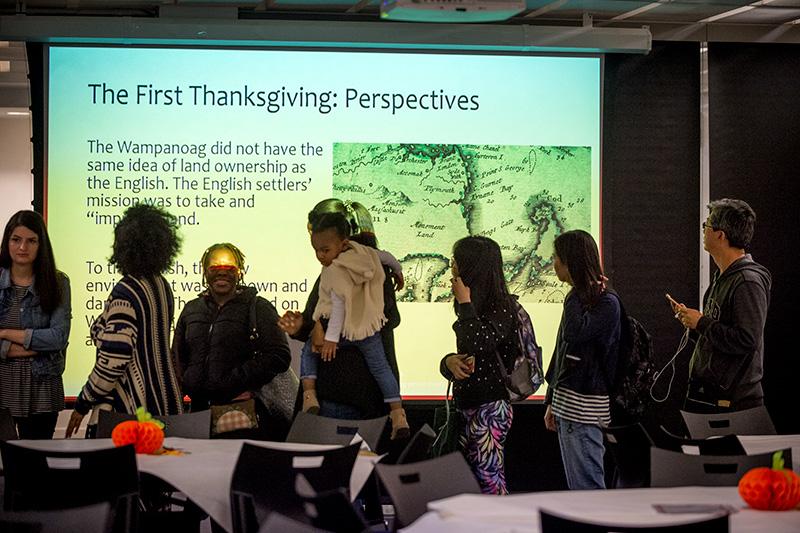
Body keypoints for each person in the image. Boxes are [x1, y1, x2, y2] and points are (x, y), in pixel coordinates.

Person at [279, 198, 402, 421]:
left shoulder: (364, 269)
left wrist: (318, 325)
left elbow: (374, 318)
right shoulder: (349, 266)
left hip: (346, 391)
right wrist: (302, 326)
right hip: (344, 391)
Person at [66, 205, 184, 437]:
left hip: (131, 412)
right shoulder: (162, 286)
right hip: (167, 404)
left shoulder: (125, 292)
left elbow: (114, 359)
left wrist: (82, 403)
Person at [299, 213, 409, 439]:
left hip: (339, 388)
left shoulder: (334, 268)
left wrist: (319, 327)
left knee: (339, 466)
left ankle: (308, 395)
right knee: (381, 368)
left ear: (344, 240)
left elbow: (329, 309)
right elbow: (391, 318)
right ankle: (398, 413)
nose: (320, 254)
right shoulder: (374, 261)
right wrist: (398, 272)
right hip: (372, 390)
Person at [172, 242, 292, 440]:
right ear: (204, 272)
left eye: (229, 267)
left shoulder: (258, 307)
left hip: (240, 412)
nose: (222, 273)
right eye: (214, 268)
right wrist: (185, 388)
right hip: (195, 413)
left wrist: (235, 382)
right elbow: (176, 357)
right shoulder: (191, 309)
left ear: (240, 272)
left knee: (237, 468)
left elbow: (278, 355)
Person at [670, 198, 771, 413]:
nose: (703, 231)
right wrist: (694, 324)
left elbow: (746, 339)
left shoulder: (747, 281)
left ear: (720, 234)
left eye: (706, 225)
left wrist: (702, 322)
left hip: (734, 403)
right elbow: (721, 337)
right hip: (712, 397)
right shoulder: (724, 277)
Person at [439, 236, 517, 495]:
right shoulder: (473, 305)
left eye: (456, 261)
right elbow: (468, 352)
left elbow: (479, 341)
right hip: (466, 404)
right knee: (465, 483)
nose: (452, 267)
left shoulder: (502, 306)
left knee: (488, 478)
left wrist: (464, 304)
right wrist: (448, 362)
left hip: (490, 406)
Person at [543, 229, 620, 490]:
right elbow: (562, 353)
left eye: (557, 257)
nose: (553, 263)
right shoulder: (580, 299)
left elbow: (575, 335)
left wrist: (576, 290)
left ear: (571, 262)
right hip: (567, 407)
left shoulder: (606, 302)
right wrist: (552, 399)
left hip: (585, 411)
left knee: (588, 489)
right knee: (578, 488)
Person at [0, 210, 71, 439]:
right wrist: (36, 346)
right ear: (7, 242)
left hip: (42, 391)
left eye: (31, 241)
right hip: (3, 389)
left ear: (41, 245)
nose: (23, 247)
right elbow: (49, 342)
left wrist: (4, 333)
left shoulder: (58, 282)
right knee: (9, 467)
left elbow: (58, 338)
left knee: (36, 467)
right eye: (16, 240)